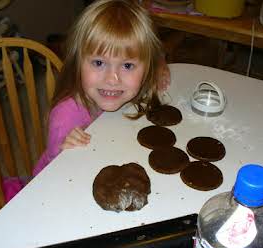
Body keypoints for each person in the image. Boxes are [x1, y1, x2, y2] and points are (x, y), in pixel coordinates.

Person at [32, 0, 170, 176]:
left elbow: (155, 55)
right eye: (98, 63)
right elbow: (55, 176)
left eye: (127, 66)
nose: (112, 79)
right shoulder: (64, 118)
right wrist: (63, 153)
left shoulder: (129, 84)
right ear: (77, 63)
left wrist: (159, 67)